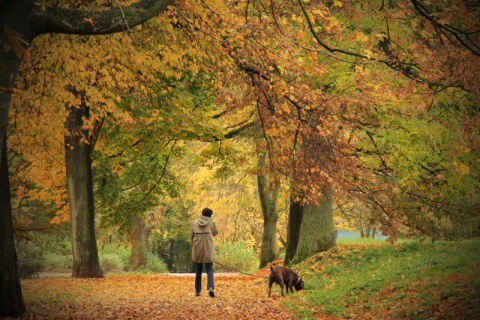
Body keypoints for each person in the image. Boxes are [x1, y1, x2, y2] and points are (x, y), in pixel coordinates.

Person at [191, 207, 218, 297]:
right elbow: (215, 232)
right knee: (209, 268)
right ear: (210, 215)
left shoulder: (195, 222)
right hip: (208, 248)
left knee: (198, 269)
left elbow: (192, 235)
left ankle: (198, 291)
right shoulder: (211, 222)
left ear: (202, 214)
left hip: (197, 248)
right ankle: (210, 286)